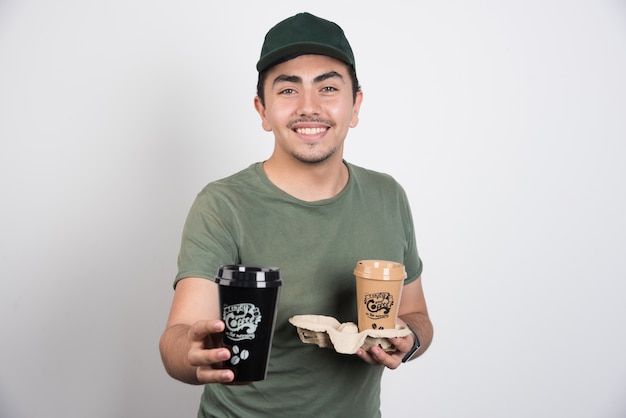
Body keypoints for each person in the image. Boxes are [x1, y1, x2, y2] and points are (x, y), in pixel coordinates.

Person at [159, 11, 433, 418]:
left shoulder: (387, 196)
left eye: (328, 87)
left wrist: (407, 340)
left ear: (355, 105)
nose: (309, 107)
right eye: (288, 91)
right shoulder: (223, 204)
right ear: (263, 110)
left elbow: (417, 316)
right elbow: (177, 339)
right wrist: (195, 351)